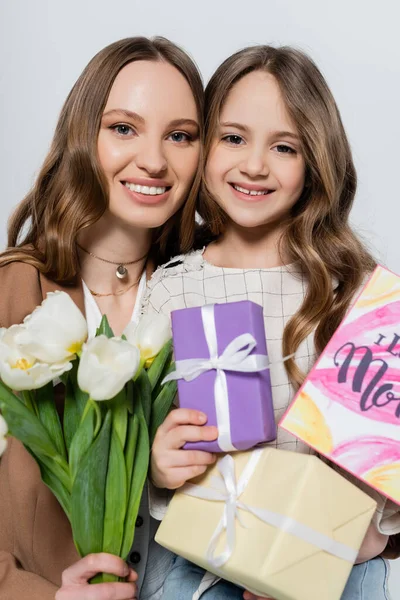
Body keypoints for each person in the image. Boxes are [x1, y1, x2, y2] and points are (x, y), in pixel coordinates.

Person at [143, 45, 400, 599]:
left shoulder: (353, 292)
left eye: (284, 147)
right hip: (198, 565)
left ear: (314, 164)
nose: (254, 164)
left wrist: (337, 540)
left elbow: (384, 453)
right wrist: (158, 468)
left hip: (336, 568)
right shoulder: (170, 290)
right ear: (204, 145)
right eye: (233, 138)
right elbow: (132, 443)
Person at [0, 35, 204, 599]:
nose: (156, 160)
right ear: (82, 134)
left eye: (181, 136)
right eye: (123, 128)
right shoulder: (11, 293)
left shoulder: (205, 292)